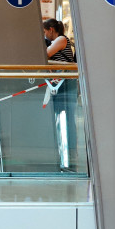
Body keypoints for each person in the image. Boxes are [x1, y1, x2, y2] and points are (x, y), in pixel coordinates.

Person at [43, 19, 78, 171]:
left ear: (51, 29)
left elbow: (46, 54)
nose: (45, 35)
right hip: (59, 84)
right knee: (60, 117)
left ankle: (69, 152)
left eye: (45, 32)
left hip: (64, 85)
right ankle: (63, 150)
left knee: (66, 118)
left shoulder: (61, 39)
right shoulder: (58, 40)